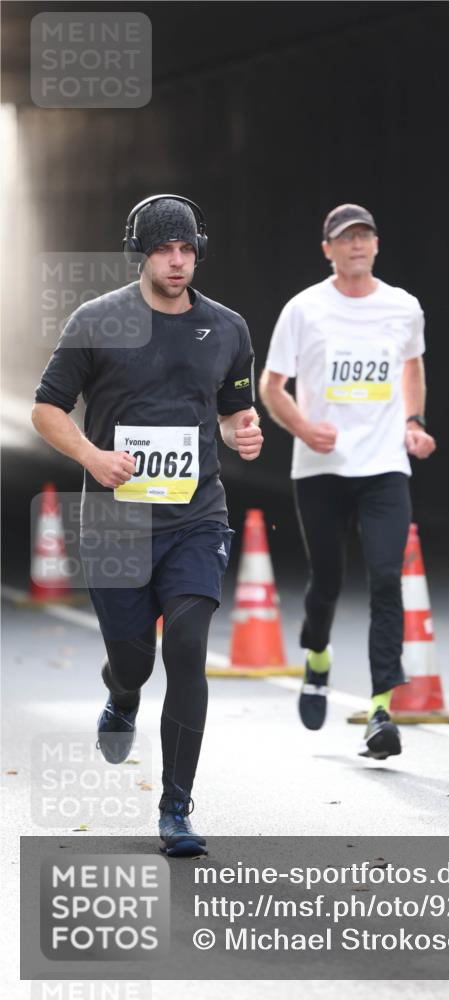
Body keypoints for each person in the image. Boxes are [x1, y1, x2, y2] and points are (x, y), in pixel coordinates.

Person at [32, 194, 263, 856]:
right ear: (142, 252)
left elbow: (231, 412)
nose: (177, 261)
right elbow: (46, 409)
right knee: (134, 658)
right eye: (165, 249)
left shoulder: (226, 328)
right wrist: (91, 455)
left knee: (186, 647)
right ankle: (122, 691)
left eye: (187, 250)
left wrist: (244, 434)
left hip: (195, 517)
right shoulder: (98, 321)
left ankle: (176, 808)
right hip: (113, 521)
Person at [260, 203, 436, 760]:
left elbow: (412, 365)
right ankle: (316, 657)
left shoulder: (403, 307)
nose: (357, 244)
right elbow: (271, 386)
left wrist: (413, 422)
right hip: (321, 469)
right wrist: (305, 428)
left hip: (384, 464)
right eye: (345, 238)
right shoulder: (304, 309)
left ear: (377, 245)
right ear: (328, 249)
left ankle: (381, 708)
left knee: (387, 579)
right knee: (328, 580)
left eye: (365, 236)